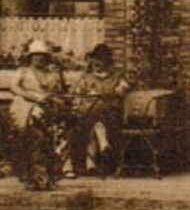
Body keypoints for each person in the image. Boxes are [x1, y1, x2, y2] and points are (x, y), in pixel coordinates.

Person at [9, 39, 70, 187]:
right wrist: (35, 97)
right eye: (36, 55)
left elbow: (58, 92)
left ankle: (48, 176)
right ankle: (32, 176)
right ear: (30, 57)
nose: (39, 59)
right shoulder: (22, 72)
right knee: (33, 141)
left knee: (51, 142)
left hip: (48, 112)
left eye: (42, 56)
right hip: (27, 111)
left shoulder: (52, 73)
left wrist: (53, 99)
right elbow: (15, 88)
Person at [68, 44, 129, 177]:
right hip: (88, 113)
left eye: (101, 60)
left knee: (97, 115)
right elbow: (76, 93)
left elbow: (123, 89)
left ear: (107, 61)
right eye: (95, 60)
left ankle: (91, 161)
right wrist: (80, 93)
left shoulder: (117, 76)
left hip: (110, 112)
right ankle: (100, 147)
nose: (97, 63)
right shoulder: (86, 77)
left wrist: (119, 90)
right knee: (94, 121)